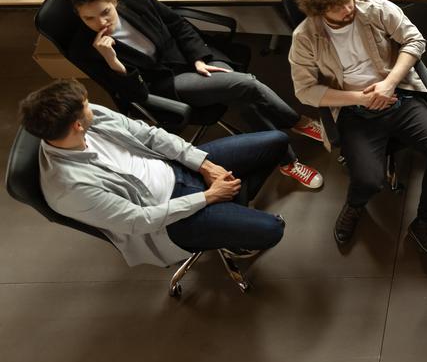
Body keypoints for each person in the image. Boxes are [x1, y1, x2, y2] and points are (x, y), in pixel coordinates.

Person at [66, 0, 323, 190]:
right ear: (78, 16)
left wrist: (198, 58)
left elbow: (178, 24)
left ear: (114, 0)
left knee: (241, 97)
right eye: (89, 19)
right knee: (247, 85)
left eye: (105, 12)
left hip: (191, 59)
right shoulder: (83, 49)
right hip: (166, 84)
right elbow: (132, 94)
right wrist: (113, 62)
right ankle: (296, 123)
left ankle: (286, 161)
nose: (100, 23)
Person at [20, 79, 288, 267]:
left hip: (176, 168)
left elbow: (150, 135)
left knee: (277, 141)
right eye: (87, 104)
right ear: (77, 125)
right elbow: (140, 220)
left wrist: (204, 166)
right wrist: (209, 197)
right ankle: (230, 219)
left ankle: (231, 211)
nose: (93, 105)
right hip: (169, 220)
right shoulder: (69, 188)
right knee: (273, 230)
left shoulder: (93, 118)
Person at [288, 0, 427, 252]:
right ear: (320, 11)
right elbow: (305, 90)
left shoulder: (375, 9)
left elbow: (415, 40)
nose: (348, 8)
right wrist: (360, 98)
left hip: (397, 95)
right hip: (354, 110)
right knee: (368, 181)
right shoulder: (305, 37)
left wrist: (389, 84)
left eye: (348, 0)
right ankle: (355, 205)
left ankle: (424, 221)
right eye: (338, 7)